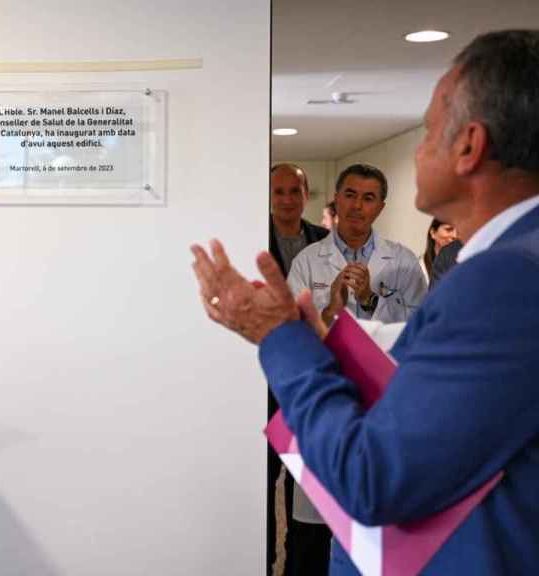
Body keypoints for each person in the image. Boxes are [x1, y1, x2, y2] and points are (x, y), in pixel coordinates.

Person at [191, 29, 539, 573]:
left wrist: (279, 337)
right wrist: (320, 335)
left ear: (469, 146)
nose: (420, 149)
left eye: (427, 131)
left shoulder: (506, 279)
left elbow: (373, 479)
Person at [267, 163, 330, 576]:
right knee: (263, 479)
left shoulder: (324, 241)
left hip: (309, 376)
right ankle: (264, 561)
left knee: (306, 485)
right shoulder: (250, 236)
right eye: (279, 192)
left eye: (295, 191)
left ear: (306, 194)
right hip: (265, 379)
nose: (287, 200)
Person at [288, 164, 427, 325]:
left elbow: (420, 325)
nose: (357, 205)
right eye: (350, 195)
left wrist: (370, 299)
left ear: (380, 208)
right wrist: (330, 311)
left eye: (368, 198)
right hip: (326, 351)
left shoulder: (404, 260)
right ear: (337, 199)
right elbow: (291, 329)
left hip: (382, 351)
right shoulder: (306, 261)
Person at [421, 218, 457, 283]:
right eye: (448, 229)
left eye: (458, 231)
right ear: (433, 233)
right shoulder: (420, 267)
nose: (454, 235)